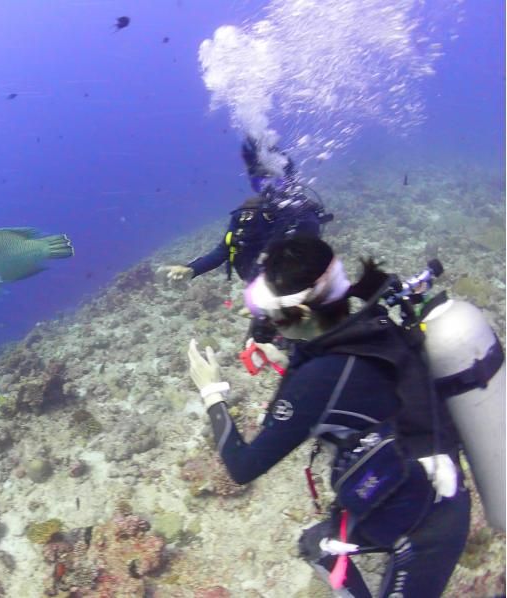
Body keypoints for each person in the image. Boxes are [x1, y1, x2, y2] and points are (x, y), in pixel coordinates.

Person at [187, 236, 470, 597]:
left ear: (303, 315)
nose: (268, 324)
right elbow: (348, 381)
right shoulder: (366, 323)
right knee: (316, 546)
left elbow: (242, 468)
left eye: (271, 317)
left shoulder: (320, 379)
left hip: (426, 526)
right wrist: (289, 354)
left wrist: (211, 391)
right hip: (424, 479)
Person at [160, 136, 332, 286]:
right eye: (259, 183)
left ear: (289, 181)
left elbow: (308, 262)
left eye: (276, 182)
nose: (268, 189)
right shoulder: (245, 216)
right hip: (263, 294)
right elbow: (223, 250)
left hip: (298, 292)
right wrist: (191, 270)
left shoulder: (302, 216)